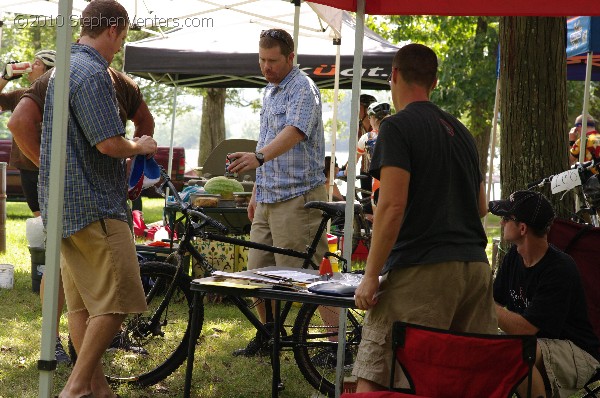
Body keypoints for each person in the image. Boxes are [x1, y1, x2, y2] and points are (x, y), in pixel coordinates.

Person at [352, 43, 497, 392]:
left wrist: (370, 276)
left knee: (375, 378)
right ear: (434, 82)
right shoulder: (461, 131)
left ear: (394, 76)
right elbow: (481, 207)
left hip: (423, 269)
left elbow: (392, 206)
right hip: (475, 270)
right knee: (462, 383)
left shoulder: (396, 127)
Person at [34, 1, 157, 396]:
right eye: (122, 36)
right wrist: (140, 145)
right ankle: (75, 389)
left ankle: (96, 391)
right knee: (119, 301)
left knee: (83, 306)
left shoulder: (62, 70)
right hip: (94, 206)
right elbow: (108, 143)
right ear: (113, 30)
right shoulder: (93, 73)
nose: (120, 45)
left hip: (62, 205)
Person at [8, 65, 155, 365]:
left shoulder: (110, 80)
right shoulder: (56, 79)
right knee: (106, 294)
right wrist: (48, 165)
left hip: (85, 196)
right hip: (85, 201)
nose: (35, 67)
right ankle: (63, 357)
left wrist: (132, 156)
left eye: (40, 62)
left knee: (78, 293)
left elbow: (145, 121)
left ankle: (89, 380)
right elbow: (18, 121)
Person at [226, 28, 328, 356]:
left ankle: (336, 344)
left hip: (298, 198)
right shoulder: (270, 92)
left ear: (290, 58)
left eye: (272, 61)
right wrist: (257, 189)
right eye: (261, 59)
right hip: (268, 197)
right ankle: (269, 336)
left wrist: (257, 158)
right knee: (256, 274)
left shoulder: (303, 88)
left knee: (305, 279)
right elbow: (264, 140)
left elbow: (294, 132)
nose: (265, 67)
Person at [490, 190, 600, 398]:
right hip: (535, 346)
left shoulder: (559, 269)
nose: (502, 223)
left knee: (516, 352)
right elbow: (495, 299)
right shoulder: (514, 256)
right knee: (493, 347)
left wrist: (483, 305)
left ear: (522, 228)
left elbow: (525, 329)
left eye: (506, 218)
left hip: (578, 351)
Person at [0, 49, 56, 217]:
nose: (31, 66)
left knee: (56, 214)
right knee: (39, 217)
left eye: (37, 63)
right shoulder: (22, 95)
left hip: (51, 165)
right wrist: (5, 78)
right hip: (27, 167)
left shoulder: (59, 96)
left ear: (49, 71)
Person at [357, 102, 391, 212]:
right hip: (397, 182)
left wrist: (344, 172)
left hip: (378, 183)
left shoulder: (366, 138)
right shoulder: (398, 133)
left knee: (378, 221)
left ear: (372, 118)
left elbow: (352, 163)